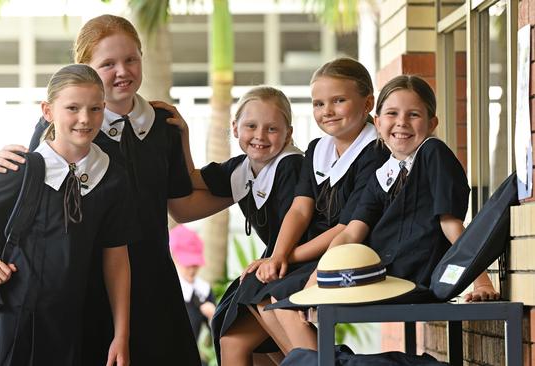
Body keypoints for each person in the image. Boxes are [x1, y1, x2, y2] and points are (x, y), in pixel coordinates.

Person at [0, 15, 201, 365]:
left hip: (153, 282)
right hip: (82, 288)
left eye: (131, 59)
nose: (123, 71)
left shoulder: (163, 125)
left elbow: (183, 202)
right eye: (107, 64)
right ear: (84, 68)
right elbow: (26, 202)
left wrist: (251, 174)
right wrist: (0, 164)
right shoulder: (63, 130)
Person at [286, 75, 501, 352]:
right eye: (392, 114)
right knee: (288, 301)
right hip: (379, 276)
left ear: (432, 123)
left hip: (417, 278)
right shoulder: (381, 174)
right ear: (377, 122)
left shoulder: (433, 153)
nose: (401, 122)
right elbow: (352, 232)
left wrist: (481, 280)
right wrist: (318, 279)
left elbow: (451, 224)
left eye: (414, 114)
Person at [0, 64, 131, 365]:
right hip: (12, 324)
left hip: (72, 326)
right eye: (72, 108)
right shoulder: (22, 169)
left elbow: (116, 258)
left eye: (95, 108)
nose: (85, 118)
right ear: (48, 111)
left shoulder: (112, 178)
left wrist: (121, 334)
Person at [154, 86, 306, 365]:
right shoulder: (243, 168)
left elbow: (298, 224)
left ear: (289, 133)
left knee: (249, 333)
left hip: (299, 260)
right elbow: (191, 180)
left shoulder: (290, 166)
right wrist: (183, 134)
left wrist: (273, 260)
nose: (260, 136)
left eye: (272, 128)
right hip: (275, 264)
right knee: (231, 337)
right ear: (235, 128)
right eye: (251, 126)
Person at [248, 58, 391, 353]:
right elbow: (300, 209)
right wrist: (277, 255)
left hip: (353, 249)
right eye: (318, 103)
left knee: (284, 301)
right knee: (256, 292)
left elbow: (346, 228)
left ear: (367, 103)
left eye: (338, 100)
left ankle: (320, 361)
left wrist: (286, 257)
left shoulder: (375, 152)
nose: (327, 111)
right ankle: (312, 360)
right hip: (316, 249)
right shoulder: (317, 149)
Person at [169, 224, 216, 341]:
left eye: (195, 265)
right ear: (173, 258)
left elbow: (218, 337)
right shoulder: (166, 288)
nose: (192, 269)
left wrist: (213, 317)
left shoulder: (203, 291)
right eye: (188, 264)